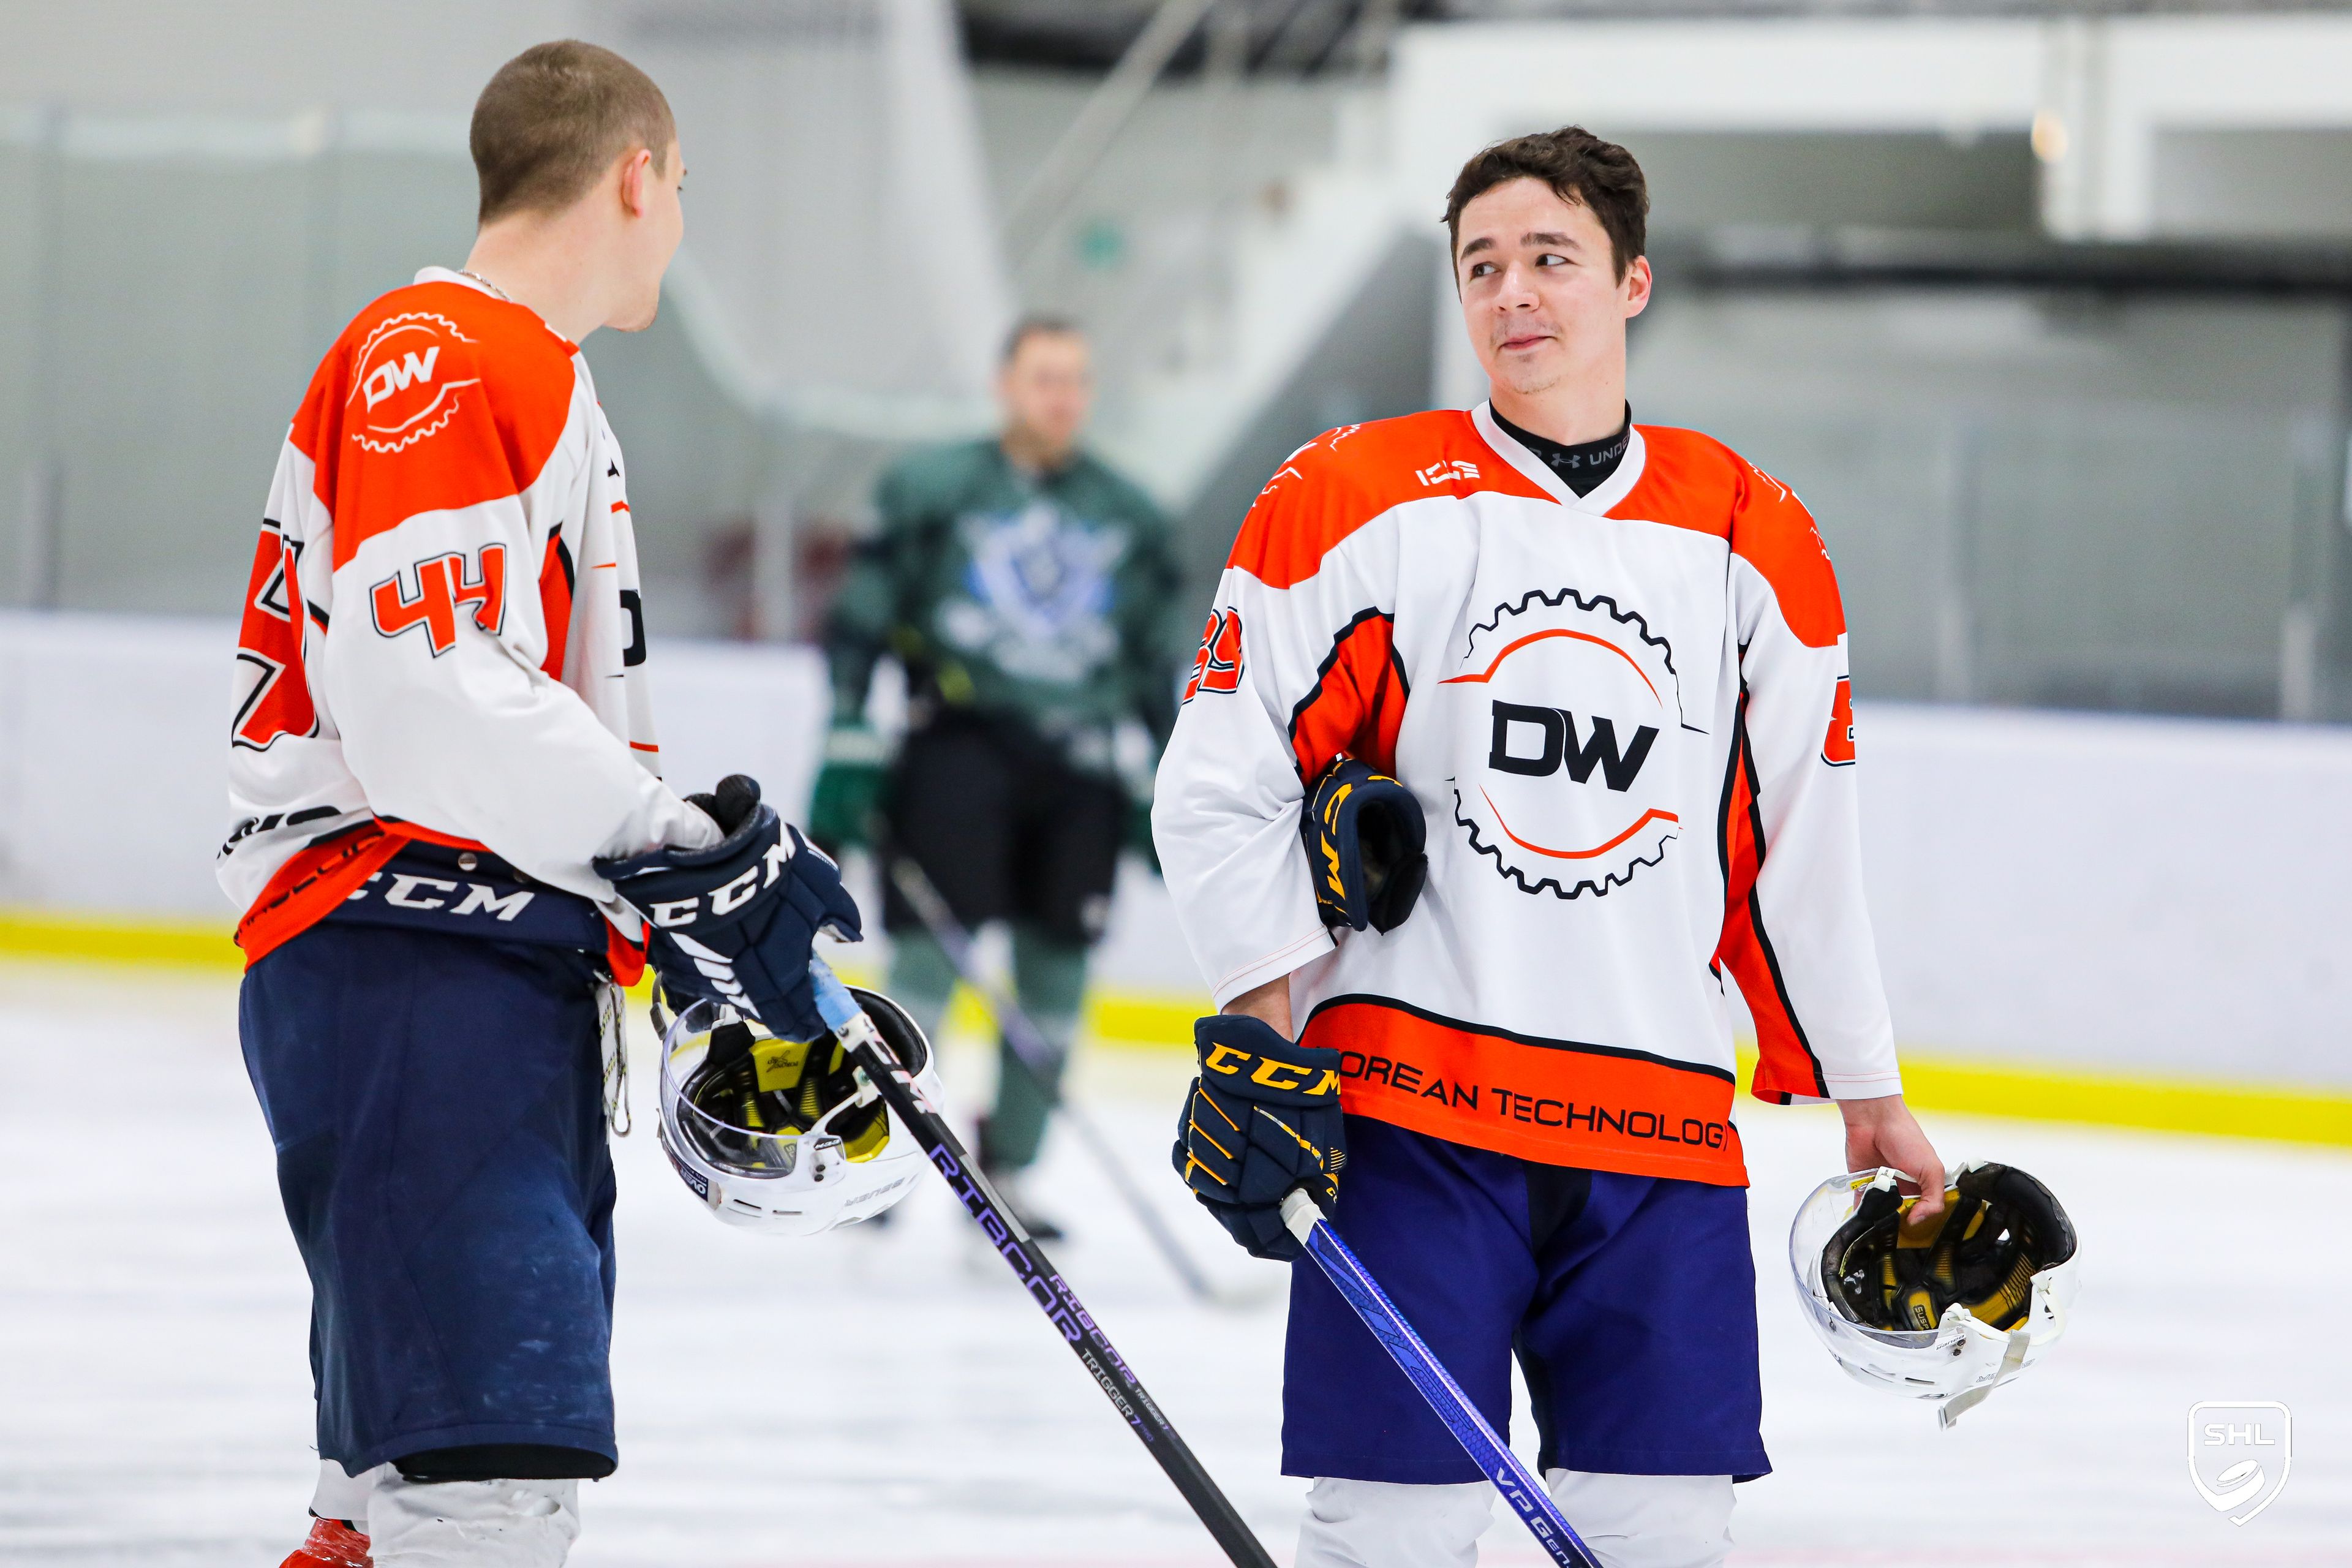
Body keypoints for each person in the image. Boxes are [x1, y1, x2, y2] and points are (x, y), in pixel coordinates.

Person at [1155, 126, 1947, 1568]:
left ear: (1632, 280)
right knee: (1394, 1527)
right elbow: (1219, 772)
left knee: (1666, 1525)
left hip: (1661, 1127)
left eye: (1551, 258)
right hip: (1410, 1115)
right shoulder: (1351, 493)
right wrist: (1259, 1030)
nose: (1513, 291)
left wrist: (1864, 1081)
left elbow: (1803, 833)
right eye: (1481, 265)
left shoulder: (1751, 530)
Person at [223, 42, 859, 1568]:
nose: (678, 221)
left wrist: (667, 879)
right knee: (482, 1487)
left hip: (454, 966)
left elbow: (476, 693)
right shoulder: (454, 348)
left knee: (398, 1494)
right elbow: (426, 693)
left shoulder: (510, 365)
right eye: (682, 186)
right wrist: (673, 846)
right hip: (418, 958)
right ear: (635, 177)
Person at [811, 317, 1182, 1238]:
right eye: (1044, 378)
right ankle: (881, 1155)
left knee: (1057, 977)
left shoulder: (1130, 514)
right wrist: (850, 727)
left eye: (1076, 380)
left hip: (1080, 768)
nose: (1062, 397)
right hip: (960, 748)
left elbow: (1154, 656)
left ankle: (1011, 1166)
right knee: (926, 967)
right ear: (1005, 385)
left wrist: (1167, 771)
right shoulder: (932, 488)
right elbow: (864, 612)